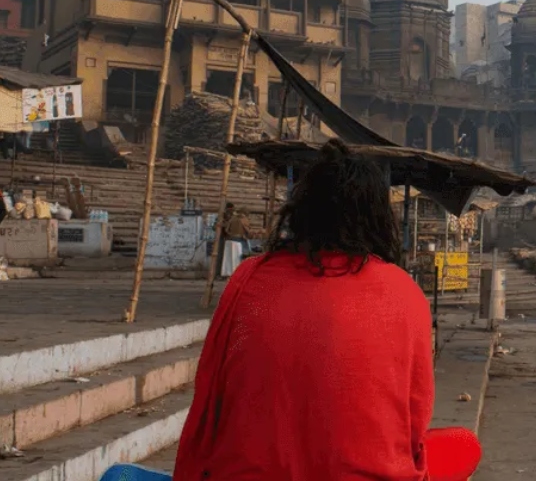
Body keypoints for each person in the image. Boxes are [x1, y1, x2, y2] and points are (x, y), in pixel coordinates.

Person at [173, 139, 481, 481]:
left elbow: (208, 402)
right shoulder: (406, 293)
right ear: (379, 218)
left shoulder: (248, 278)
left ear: (300, 211)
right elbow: (414, 422)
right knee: (465, 445)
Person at [215, 202, 251, 279]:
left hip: (229, 239)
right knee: (243, 257)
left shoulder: (232, 218)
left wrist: (229, 234)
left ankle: (226, 274)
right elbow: (248, 231)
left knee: (227, 258)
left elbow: (227, 229)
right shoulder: (243, 219)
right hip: (238, 240)